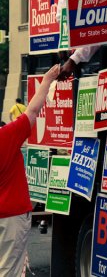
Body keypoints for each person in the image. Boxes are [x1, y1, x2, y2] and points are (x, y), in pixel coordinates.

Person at [0, 64, 60, 276]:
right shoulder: (6, 137)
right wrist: (46, 81)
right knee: (10, 271)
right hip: (12, 216)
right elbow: (32, 111)